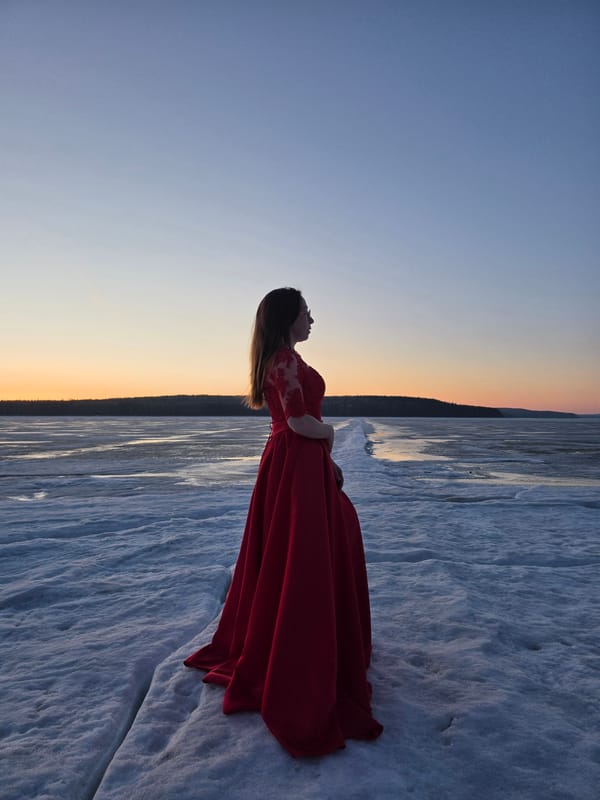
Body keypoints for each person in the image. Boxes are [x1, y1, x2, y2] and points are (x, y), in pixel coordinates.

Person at [184, 287, 383, 757]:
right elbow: (298, 421)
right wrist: (329, 434)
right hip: (296, 460)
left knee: (305, 546)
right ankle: (304, 647)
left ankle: (300, 637)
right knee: (305, 552)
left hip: (295, 461)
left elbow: (295, 422)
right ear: (287, 317)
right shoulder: (285, 360)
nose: (312, 319)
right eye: (306, 312)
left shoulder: (280, 359)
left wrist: (326, 458)